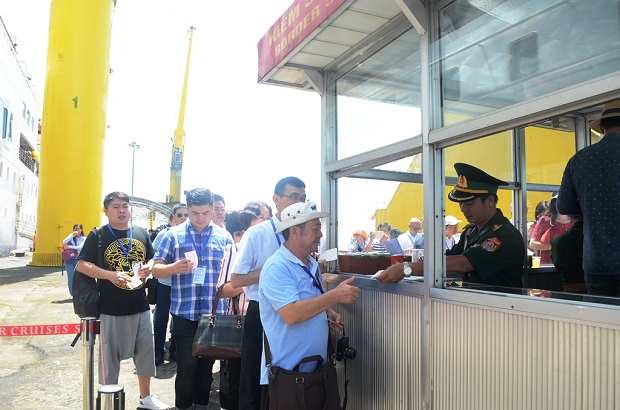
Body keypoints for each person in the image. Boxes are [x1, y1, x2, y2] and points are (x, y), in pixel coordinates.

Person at [258, 202, 360, 407]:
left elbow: (309, 299)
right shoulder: (277, 267)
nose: (320, 235)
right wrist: (334, 297)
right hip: (289, 376)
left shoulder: (310, 263)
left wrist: (327, 313)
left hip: (317, 372)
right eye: (316, 229)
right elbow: (292, 314)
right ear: (295, 232)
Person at [76, 192, 169, 410]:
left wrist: (150, 266)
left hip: (140, 305)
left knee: (146, 353)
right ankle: (110, 399)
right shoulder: (98, 234)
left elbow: (151, 256)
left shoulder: (140, 232)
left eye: (125, 206)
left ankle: (145, 398)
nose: (121, 210)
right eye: (116, 206)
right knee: (110, 359)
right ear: (106, 211)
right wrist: (108, 274)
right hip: (110, 307)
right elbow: (82, 265)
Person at [377, 163, 525, 289]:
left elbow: (462, 263)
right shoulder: (471, 231)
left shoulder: (505, 235)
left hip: (503, 309)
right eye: (461, 203)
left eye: (469, 203)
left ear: (490, 201)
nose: (462, 209)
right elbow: (449, 258)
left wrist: (407, 269)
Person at [152, 188, 232, 410]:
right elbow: (156, 270)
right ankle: (184, 407)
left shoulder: (223, 236)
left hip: (213, 314)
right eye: (195, 212)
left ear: (212, 210)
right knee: (186, 366)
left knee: (206, 366)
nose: (200, 218)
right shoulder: (173, 235)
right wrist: (173, 268)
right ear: (187, 209)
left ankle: (202, 405)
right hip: (184, 313)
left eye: (206, 212)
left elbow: (230, 274)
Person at [230, 176, 306, 410]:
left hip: (293, 313)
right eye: (294, 197)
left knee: (286, 378)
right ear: (276, 199)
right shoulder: (257, 234)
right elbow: (236, 280)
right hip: (261, 313)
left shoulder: (303, 233)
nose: (299, 203)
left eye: (303, 199)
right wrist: (272, 271)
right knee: (254, 379)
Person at [557, 100, 620, 297]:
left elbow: (564, 205)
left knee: (601, 323)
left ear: (602, 127)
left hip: (596, 260)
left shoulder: (579, 159)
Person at [151, 203, 187, 365]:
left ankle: (174, 349)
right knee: (161, 317)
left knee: (178, 318)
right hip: (165, 283)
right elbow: (153, 257)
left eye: (186, 215)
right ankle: (158, 350)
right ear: (171, 219)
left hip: (183, 284)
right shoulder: (165, 235)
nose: (183, 218)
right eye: (179, 215)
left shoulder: (190, 236)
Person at [529, 194, 574, 265]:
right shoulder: (545, 220)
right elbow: (532, 244)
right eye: (559, 201)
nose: (563, 204)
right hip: (549, 266)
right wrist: (552, 246)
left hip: (570, 265)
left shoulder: (575, 221)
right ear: (554, 203)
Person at [551, 216, 586, 293]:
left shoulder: (558, 242)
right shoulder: (599, 241)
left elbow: (557, 264)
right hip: (602, 294)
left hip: (570, 293)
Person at [62, 223, 85, 297]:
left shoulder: (84, 239)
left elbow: (79, 247)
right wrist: (72, 235)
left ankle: (80, 292)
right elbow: (64, 242)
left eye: (78, 228)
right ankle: (73, 294)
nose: (76, 230)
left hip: (78, 259)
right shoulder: (71, 238)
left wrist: (68, 247)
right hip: (68, 259)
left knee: (79, 276)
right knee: (70, 276)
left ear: (81, 230)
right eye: (75, 228)